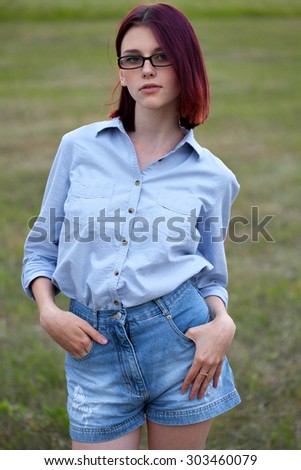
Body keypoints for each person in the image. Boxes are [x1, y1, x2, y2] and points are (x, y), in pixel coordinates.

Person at [22, 3, 241, 450]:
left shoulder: (214, 176)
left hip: (180, 345)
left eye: (162, 57)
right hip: (92, 348)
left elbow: (210, 275)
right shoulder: (78, 147)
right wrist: (48, 311)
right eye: (132, 58)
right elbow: (42, 247)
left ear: (187, 66)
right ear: (121, 73)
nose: (146, 69)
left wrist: (223, 324)